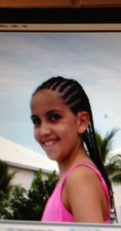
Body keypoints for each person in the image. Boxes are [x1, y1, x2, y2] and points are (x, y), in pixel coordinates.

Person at [30, 76, 113, 223]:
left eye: (54, 117)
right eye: (37, 121)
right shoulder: (72, 178)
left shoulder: (80, 178)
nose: (43, 130)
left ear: (81, 122)